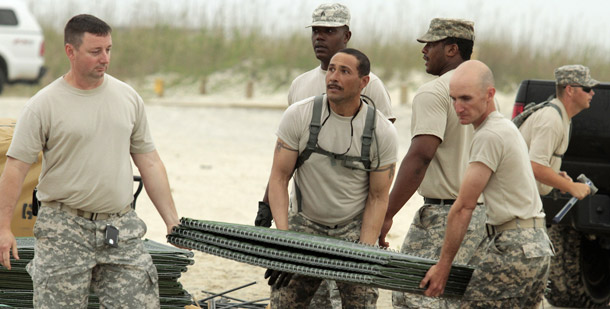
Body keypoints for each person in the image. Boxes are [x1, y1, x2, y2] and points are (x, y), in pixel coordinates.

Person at [0, 14, 180, 308]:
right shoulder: (43, 105)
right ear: (71, 51)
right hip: (64, 229)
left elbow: (150, 162)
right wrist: (3, 228)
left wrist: (172, 221)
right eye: (95, 51)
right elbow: (16, 168)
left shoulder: (128, 99)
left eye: (108, 49)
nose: (105, 59)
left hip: (120, 228)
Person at [267, 48, 397, 308]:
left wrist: (364, 249)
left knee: (362, 300)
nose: (333, 77)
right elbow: (279, 179)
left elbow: (378, 196)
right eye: (332, 69)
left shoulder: (382, 131)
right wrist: (284, 240)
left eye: (344, 71)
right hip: (304, 224)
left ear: (364, 83)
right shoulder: (299, 115)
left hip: (353, 228)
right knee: (284, 300)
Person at [420, 60, 553, 308]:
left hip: (514, 247)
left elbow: (463, 207)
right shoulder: (505, 127)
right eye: (454, 99)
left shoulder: (489, 135)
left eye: (466, 99)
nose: (458, 107)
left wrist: (443, 267)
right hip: (537, 246)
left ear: (489, 94)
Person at [378, 18, 486, 308]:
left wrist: (385, 215)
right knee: (450, 296)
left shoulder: (434, 91)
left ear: (452, 49)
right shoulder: (483, 93)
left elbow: (421, 155)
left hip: (444, 214)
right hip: (480, 216)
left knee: (415, 294)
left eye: (431, 44)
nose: (424, 49)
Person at [288, 3, 395, 123]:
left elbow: (385, 134)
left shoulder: (368, 83)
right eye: (315, 31)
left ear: (346, 36)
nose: (319, 37)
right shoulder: (299, 84)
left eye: (329, 31)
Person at [518, 64, 597, 200]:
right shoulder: (551, 119)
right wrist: (572, 187)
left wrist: (557, 176)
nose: (592, 93)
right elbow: (535, 166)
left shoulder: (561, 117)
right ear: (570, 90)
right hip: (514, 199)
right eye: (587, 88)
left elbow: (536, 162)